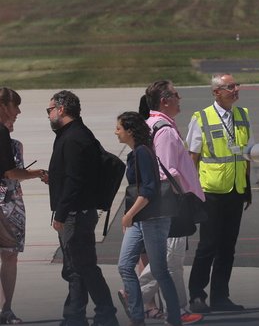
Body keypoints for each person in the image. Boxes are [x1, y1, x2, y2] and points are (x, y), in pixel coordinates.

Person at [46, 90, 121, 326]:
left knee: (84, 267)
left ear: (61, 109)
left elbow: (75, 180)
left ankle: (105, 314)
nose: (48, 115)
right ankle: (75, 316)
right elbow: (76, 173)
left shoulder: (74, 137)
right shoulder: (74, 133)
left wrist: (60, 213)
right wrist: (55, 177)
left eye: (49, 110)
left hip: (75, 214)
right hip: (77, 211)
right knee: (76, 268)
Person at [136, 82, 205, 325]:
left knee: (173, 262)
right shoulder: (163, 130)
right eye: (176, 94)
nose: (180, 97)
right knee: (167, 258)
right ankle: (137, 295)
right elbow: (165, 172)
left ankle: (180, 310)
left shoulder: (155, 125)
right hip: (172, 204)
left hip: (167, 204)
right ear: (165, 101)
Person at [186, 74, 251, 313]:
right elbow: (193, 157)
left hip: (235, 190)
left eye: (236, 85)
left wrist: (247, 187)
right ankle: (196, 295)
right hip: (211, 192)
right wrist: (192, 192)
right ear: (216, 92)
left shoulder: (242, 115)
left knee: (227, 247)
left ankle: (221, 296)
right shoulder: (201, 118)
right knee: (208, 245)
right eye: (230, 87)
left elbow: (246, 153)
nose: (236, 90)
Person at [115, 112, 182, 326]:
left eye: (119, 128)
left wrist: (128, 215)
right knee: (125, 265)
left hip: (152, 217)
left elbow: (149, 191)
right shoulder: (136, 152)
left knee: (160, 270)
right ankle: (137, 316)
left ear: (130, 131)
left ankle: (174, 318)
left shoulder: (142, 152)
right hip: (141, 217)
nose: (116, 131)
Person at [0, 88, 47, 325]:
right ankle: (6, 310)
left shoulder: (10, 139)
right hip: (6, 206)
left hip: (8, 205)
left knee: (9, 256)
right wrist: (38, 173)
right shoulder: (5, 136)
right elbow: (10, 172)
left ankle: (6, 309)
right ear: (3, 106)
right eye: (14, 106)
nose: (18, 111)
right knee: (9, 255)